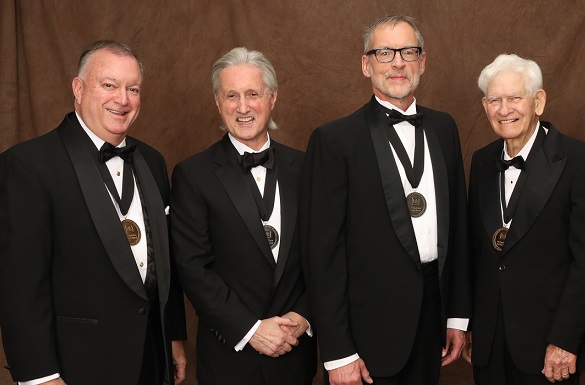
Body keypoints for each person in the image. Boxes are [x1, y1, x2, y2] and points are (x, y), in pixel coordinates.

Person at [0, 40, 187, 385]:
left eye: (133, 88)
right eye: (109, 85)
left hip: (151, 357)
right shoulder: (28, 165)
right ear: (79, 88)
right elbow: (19, 286)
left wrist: (173, 336)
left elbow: (166, 262)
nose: (123, 99)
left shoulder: (153, 161)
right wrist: (40, 376)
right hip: (76, 367)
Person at [300, 14, 471, 385]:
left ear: (422, 62)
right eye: (384, 53)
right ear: (366, 64)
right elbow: (322, 256)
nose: (397, 62)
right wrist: (338, 352)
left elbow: (457, 225)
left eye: (408, 51)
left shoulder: (445, 127)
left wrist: (457, 316)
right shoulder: (333, 141)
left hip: (434, 322)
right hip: (366, 335)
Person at [462, 53, 585, 384]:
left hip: (549, 346)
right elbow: (477, 252)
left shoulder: (582, 161)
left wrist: (565, 340)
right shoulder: (482, 161)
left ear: (538, 101)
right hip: (489, 343)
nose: (504, 109)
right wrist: (472, 324)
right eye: (494, 100)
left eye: (515, 98)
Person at [170, 47, 316, 384]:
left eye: (253, 94)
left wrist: (303, 317)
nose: (244, 106)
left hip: (296, 355)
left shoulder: (308, 168)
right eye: (231, 96)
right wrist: (251, 330)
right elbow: (193, 268)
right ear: (217, 103)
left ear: (273, 97)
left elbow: (324, 256)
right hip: (229, 361)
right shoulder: (193, 175)